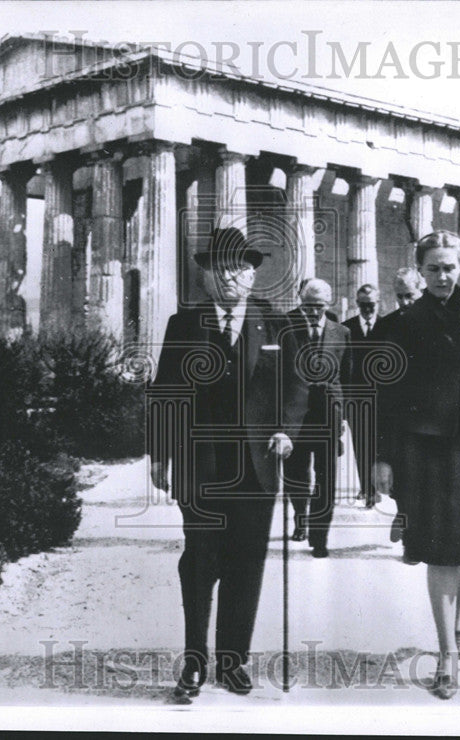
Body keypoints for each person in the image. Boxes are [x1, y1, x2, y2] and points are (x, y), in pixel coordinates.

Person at [147, 227, 308, 703]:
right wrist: (159, 453)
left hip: (257, 468)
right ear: (206, 274)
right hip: (202, 466)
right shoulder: (185, 324)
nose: (230, 276)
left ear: (253, 273)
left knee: (246, 564)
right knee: (199, 562)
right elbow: (165, 392)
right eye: (220, 267)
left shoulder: (278, 325)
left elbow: (297, 389)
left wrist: (286, 430)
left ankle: (232, 661)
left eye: (240, 267)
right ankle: (194, 662)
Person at [374, 231, 460, 700]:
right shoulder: (399, 324)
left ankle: (458, 614)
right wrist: (380, 458)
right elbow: (380, 398)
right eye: (432, 267)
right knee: (438, 550)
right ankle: (447, 655)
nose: (441, 276)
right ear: (419, 269)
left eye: (449, 267)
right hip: (424, 446)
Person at [285, 278, 351, 557]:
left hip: (328, 415)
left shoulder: (342, 332)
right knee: (295, 474)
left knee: (327, 478)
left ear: (329, 303)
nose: (313, 312)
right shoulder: (285, 327)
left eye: (319, 306)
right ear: (300, 300)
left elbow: (346, 376)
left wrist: (343, 414)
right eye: (308, 305)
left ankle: (320, 536)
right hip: (295, 414)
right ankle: (301, 516)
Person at [371, 268, 425, 542]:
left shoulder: (438, 321)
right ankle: (405, 517)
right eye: (400, 297)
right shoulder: (385, 326)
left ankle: (414, 528)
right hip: (398, 412)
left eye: (410, 296)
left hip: (431, 412)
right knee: (402, 474)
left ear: (421, 290)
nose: (405, 303)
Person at [342, 284, 381, 505]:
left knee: (378, 445)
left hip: (381, 399)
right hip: (356, 399)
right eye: (363, 305)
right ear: (357, 304)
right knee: (361, 445)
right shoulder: (346, 329)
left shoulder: (387, 326)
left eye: (371, 305)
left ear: (379, 302)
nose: (367, 309)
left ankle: (376, 486)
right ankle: (367, 489)